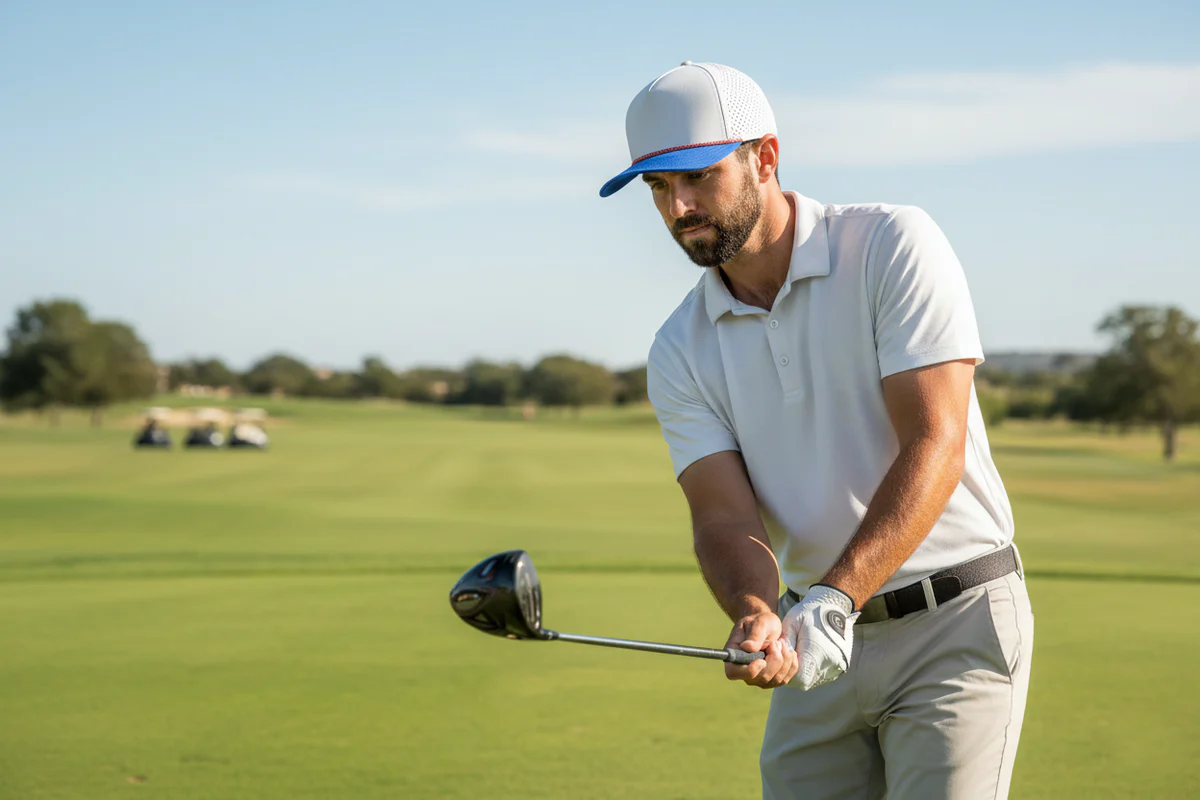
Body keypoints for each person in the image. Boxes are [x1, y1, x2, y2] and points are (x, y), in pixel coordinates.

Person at [600, 62, 1033, 799]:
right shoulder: (679, 347)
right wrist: (756, 612)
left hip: (951, 623)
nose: (678, 207)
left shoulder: (893, 244)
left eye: (696, 178)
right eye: (658, 189)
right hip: (816, 641)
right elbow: (722, 514)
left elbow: (936, 441)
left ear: (764, 158)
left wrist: (836, 596)